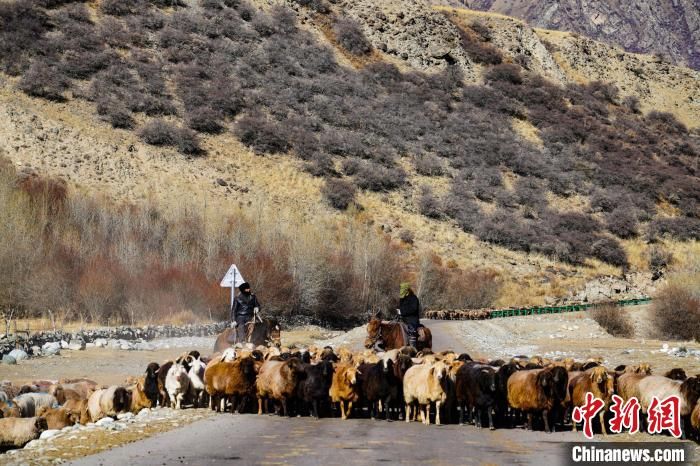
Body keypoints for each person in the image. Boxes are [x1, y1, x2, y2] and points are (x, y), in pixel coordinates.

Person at [397, 283, 420, 348]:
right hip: (402, 319)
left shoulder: (414, 298)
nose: (401, 291)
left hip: (412, 320)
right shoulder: (402, 298)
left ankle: (413, 348)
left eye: (403, 289)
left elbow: (413, 309)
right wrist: (398, 311)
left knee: (411, 331)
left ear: (407, 290)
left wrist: (402, 311)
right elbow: (401, 308)